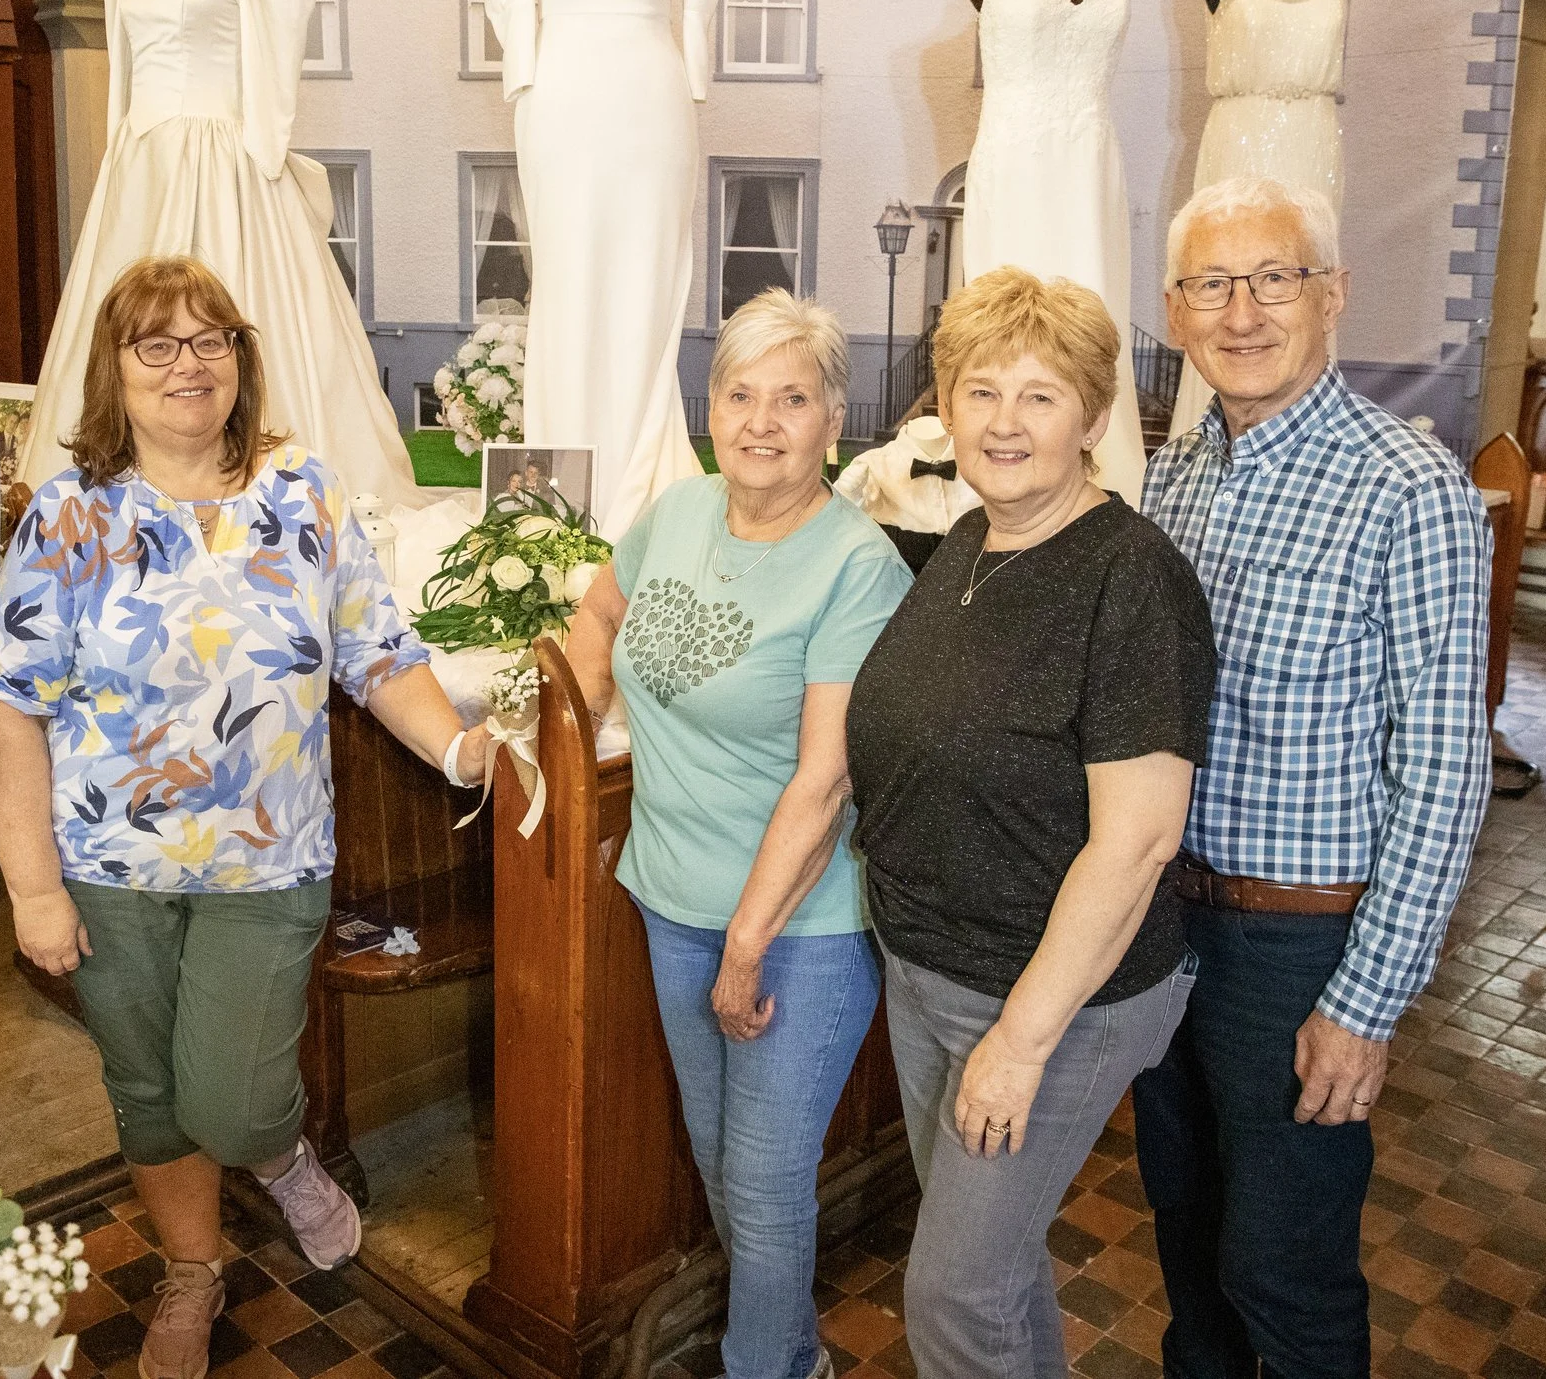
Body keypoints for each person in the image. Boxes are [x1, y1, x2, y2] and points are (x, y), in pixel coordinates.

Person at [0, 256, 490, 1379]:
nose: (187, 363)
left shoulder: (304, 492)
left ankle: (281, 1153)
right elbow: (10, 706)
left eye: (211, 338)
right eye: (155, 342)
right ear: (116, 368)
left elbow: (377, 651)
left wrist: (461, 745)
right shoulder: (70, 513)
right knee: (148, 1088)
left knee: (235, 1094)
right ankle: (193, 1270)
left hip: (269, 860)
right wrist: (31, 887)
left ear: (241, 359)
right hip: (107, 864)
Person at [1134, 175, 1491, 1379]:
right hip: (1162, 924)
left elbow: (1443, 772)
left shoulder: (1409, 487)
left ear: (1331, 294)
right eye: (1209, 284)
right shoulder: (1176, 473)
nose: (1241, 311)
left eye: (1273, 277)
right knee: (1184, 1251)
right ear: (1175, 311)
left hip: (1297, 951)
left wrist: (1367, 999)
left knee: (1282, 1274)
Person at [846, 269, 1214, 1378]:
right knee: (994, 1273)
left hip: (1051, 995)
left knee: (951, 1292)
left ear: (1093, 418)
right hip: (930, 968)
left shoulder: (1129, 578)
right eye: (979, 390)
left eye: (1040, 395)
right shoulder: (969, 540)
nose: (1004, 421)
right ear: (944, 408)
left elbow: (1138, 839)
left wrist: (1020, 1038)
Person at [567, 290, 911, 1379]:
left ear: (832, 421)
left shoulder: (857, 567)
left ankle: (770, 1363)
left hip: (796, 922)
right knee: (724, 1163)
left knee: (762, 1182)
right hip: (670, 891)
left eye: (793, 398)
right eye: (739, 392)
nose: (762, 419)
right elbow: (595, 616)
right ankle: (785, 1349)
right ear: (709, 406)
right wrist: (564, 728)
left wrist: (748, 942)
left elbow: (824, 780)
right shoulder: (676, 512)